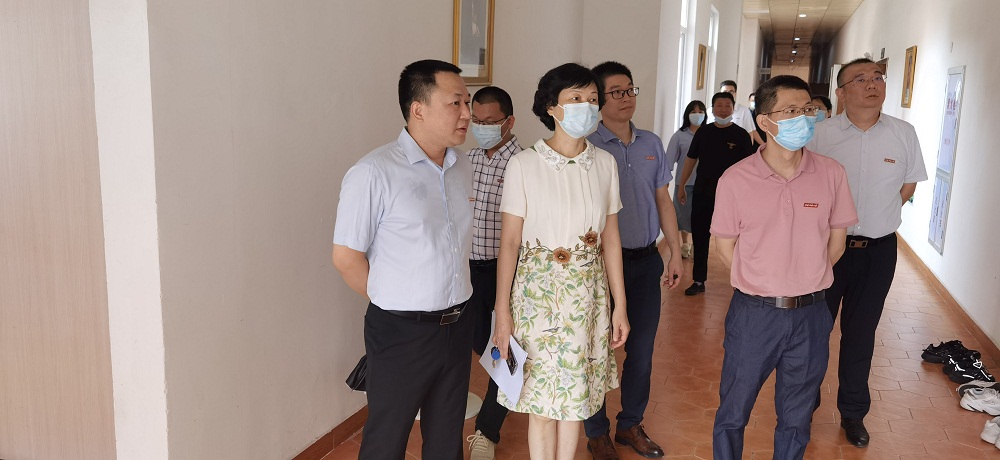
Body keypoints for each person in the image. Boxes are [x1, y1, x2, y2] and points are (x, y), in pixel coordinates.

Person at [331, 59, 474, 459]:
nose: (467, 113)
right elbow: (346, 257)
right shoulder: (373, 172)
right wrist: (394, 300)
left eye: (467, 102)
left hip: (458, 322)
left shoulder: (461, 165)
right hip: (401, 331)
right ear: (418, 109)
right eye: (456, 103)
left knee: (447, 435)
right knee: (387, 437)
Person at [711, 75, 858, 460]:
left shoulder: (832, 173)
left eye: (807, 110)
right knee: (733, 411)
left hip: (811, 313)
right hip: (754, 314)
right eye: (791, 110)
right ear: (764, 121)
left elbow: (837, 243)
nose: (803, 118)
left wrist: (803, 276)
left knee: (796, 417)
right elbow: (725, 248)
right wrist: (765, 278)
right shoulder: (736, 179)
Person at [492, 63, 629, 460]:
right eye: (575, 98)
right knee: (541, 405)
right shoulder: (524, 164)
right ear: (551, 106)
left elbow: (611, 240)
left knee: (576, 401)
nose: (586, 106)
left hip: (588, 297)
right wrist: (502, 312)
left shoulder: (604, 163)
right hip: (536, 297)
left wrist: (620, 305)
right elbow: (510, 243)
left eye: (592, 99)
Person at [807, 57, 928, 448]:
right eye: (860, 79)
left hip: (878, 251)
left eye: (878, 77)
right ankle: (802, 406)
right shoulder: (820, 135)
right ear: (841, 92)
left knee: (861, 334)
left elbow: (907, 186)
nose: (872, 84)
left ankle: (853, 413)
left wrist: (879, 215)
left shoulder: (903, 133)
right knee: (813, 331)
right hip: (826, 249)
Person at [583, 61, 684, 460]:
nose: (626, 98)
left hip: (644, 262)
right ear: (598, 99)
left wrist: (674, 251)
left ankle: (630, 425)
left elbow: (663, 200)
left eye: (630, 90)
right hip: (597, 267)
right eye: (616, 92)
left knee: (640, 351)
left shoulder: (651, 143)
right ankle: (596, 432)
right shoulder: (587, 145)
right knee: (597, 349)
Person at [464, 86, 522, 460]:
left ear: (509, 121)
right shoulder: (464, 160)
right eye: (477, 120)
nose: (482, 128)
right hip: (466, 271)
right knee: (476, 346)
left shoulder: (524, 164)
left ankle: (487, 432)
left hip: (505, 274)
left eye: (491, 122)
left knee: (504, 350)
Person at [677, 92, 753, 296]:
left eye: (727, 105)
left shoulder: (741, 135)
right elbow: (690, 160)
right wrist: (681, 185)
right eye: (719, 105)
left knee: (738, 239)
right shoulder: (703, 132)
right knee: (700, 236)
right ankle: (698, 280)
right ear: (712, 109)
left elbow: (749, 168)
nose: (723, 110)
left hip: (733, 198)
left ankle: (741, 280)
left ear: (733, 108)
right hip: (704, 192)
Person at [667, 100, 708, 260]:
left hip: (704, 185)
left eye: (700, 112)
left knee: (701, 218)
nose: (697, 115)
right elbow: (668, 161)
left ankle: (698, 247)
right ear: (687, 115)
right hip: (684, 184)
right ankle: (685, 244)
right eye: (693, 112)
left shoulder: (709, 134)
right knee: (683, 217)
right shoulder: (679, 136)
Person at [720, 80, 765, 146]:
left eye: (731, 92)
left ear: (735, 93)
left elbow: (750, 133)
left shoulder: (744, 111)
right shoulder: (710, 111)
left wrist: (749, 149)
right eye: (724, 92)